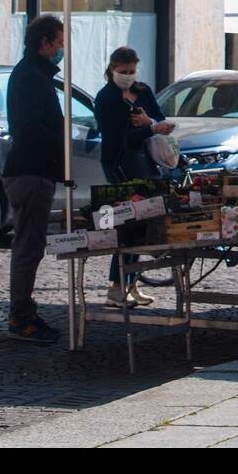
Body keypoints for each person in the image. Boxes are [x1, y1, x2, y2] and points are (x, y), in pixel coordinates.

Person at [95, 46, 176, 308]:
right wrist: (148, 127)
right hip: (121, 165)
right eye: (123, 71)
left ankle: (131, 283)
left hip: (146, 162)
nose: (128, 76)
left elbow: (159, 120)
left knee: (142, 225)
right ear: (112, 69)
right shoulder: (107, 98)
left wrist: (149, 122)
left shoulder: (142, 91)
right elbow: (120, 137)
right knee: (127, 224)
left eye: (131, 71)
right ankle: (116, 286)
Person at [3, 14, 67, 344]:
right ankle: (20, 316)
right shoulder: (30, 76)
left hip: (35, 168)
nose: (62, 49)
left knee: (31, 244)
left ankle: (24, 312)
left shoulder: (33, 73)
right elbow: (30, 127)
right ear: (44, 43)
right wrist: (57, 147)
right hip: (31, 170)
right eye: (58, 43)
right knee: (29, 245)